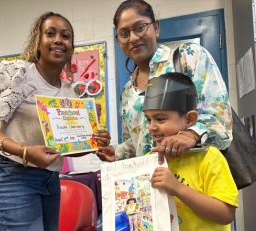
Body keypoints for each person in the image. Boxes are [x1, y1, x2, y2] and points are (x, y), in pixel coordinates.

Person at [0, 12, 109, 231]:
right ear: (38, 40)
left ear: (71, 47)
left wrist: (96, 143)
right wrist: (24, 152)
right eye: (50, 33)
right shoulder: (17, 73)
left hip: (48, 180)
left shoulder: (69, 91)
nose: (58, 40)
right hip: (10, 176)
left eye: (65, 36)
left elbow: (67, 146)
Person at [97, 0, 232, 162]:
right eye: (124, 33)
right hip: (153, 182)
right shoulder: (127, 93)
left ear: (156, 28)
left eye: (140, 27)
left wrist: (191, 134)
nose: (132, 38)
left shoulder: (188, 57)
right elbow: (137, 143)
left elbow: (220, 118)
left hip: (195, 177)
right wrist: (118, 152)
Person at [145, 72, 238, 231]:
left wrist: (178, 188)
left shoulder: (208, 158)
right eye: (148, 120)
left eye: (160, 119)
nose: (151, 127)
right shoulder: (150, 160)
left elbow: (226, 214)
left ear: (189, 119)